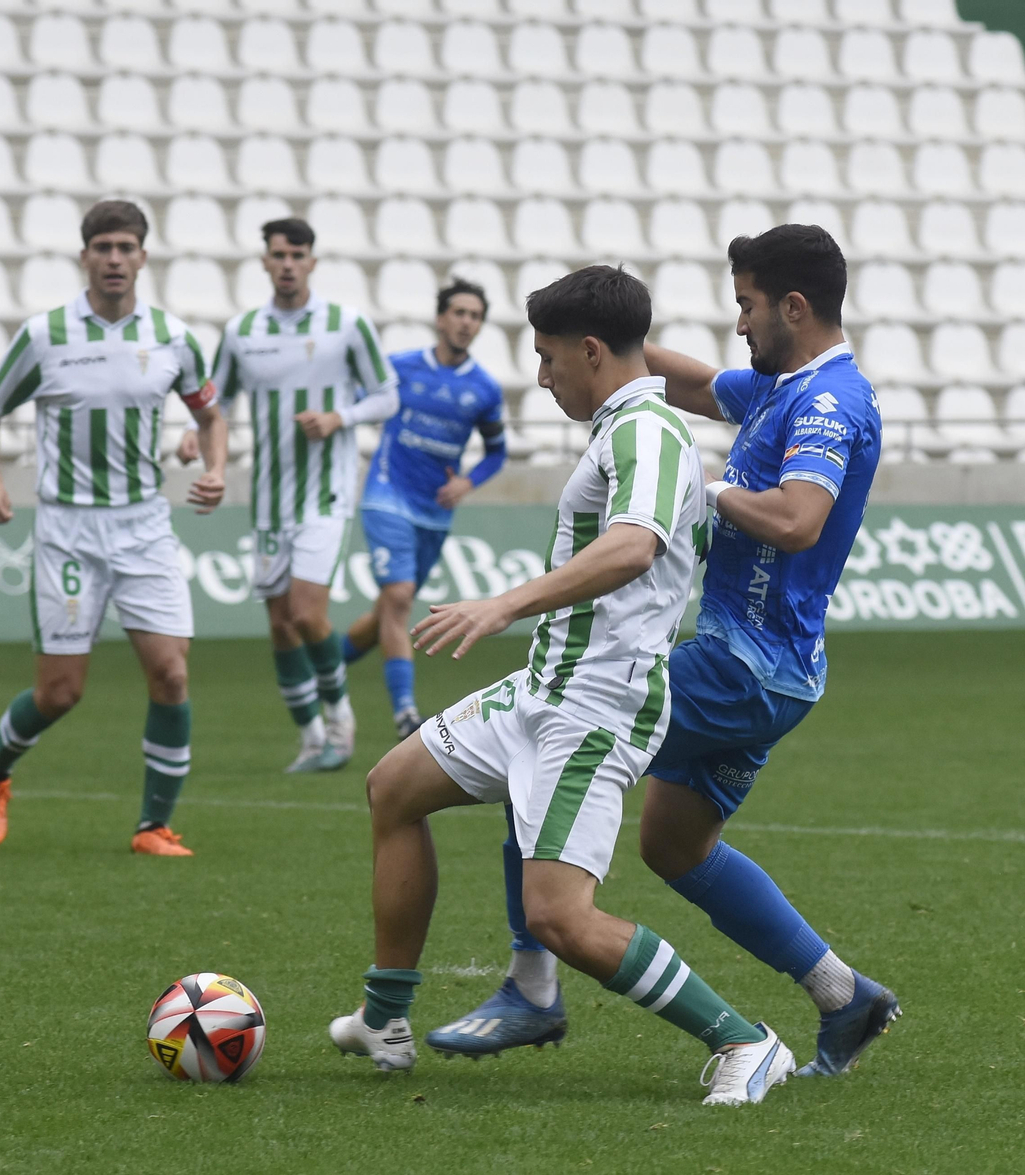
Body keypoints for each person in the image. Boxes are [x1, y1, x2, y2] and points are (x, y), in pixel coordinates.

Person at [430, 225, 900, 1080]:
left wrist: (705, 490)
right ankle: (844, 995)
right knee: (673, 845)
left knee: (548, 724)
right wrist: (602, 339)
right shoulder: (781, 384)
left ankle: (532, 986)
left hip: (743, 664)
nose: (739, 323)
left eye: (748, 306)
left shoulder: (828, 402)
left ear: (795, 308)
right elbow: (681, 380)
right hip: (774, 670)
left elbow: (799, 519)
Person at [327, 265, 795, 1108]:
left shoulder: (647, 431)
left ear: (590, 351)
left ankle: (746, 1040)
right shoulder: (622, 427)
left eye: (547, 358)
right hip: (545, 688)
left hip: (597, 706)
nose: (542, 377)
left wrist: (503, 603)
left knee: (559, 917)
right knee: (392, 787)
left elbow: (634, 545)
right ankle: (384, 1018)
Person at [0, 199, 228, 857]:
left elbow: (210, 414)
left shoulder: (171, 336)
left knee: (171, 674)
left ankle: (152, 827)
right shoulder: (46, 335)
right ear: (84, 256)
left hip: (145, 527)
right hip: (70, 532)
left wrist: (216, 467)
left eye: (126, 248)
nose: (115, 259)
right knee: (61, 692)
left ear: (143, 256)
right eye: (103, 247)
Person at [180, 218, 399, 772]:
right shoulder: (242, 332)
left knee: (305, 612)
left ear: (312, 263)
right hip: (270, 498)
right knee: (279, 622)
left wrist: (339, 417)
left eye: (297, 255)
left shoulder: (346, 325)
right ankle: (311, 737)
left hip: (325, 492)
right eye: (278, 255)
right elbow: (214, 402)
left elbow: (387, 396)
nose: (287, 264)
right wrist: (192, 434)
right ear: (264, 262)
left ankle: (341, 723)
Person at [339, 278, 508, 739]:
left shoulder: (484, 389)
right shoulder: (399, 368)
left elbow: (496, 452)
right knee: (398, 599)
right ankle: (405, 713)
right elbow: (353, 404)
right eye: (459, 313)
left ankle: (327, 668)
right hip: (386, 496)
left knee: (388, 610)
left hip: (433, 511)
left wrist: (467, 482)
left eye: (475, 316)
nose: (466, 322)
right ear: (440, 318)